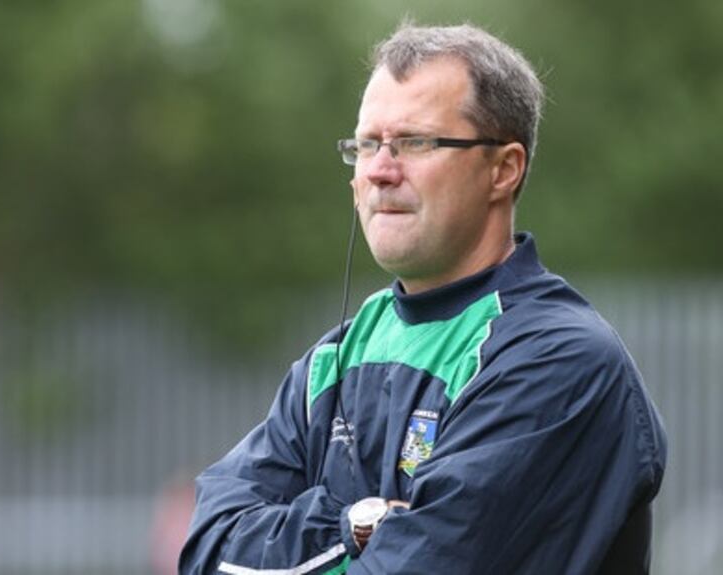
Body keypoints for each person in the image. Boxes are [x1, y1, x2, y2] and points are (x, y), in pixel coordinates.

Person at [179, 23, 667, 575]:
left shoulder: (559, 360)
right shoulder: (333, 361)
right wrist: (356, 525)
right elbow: (207, 547)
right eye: (367, 145)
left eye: (415, 142)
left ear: (503, 170)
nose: (381, 171)